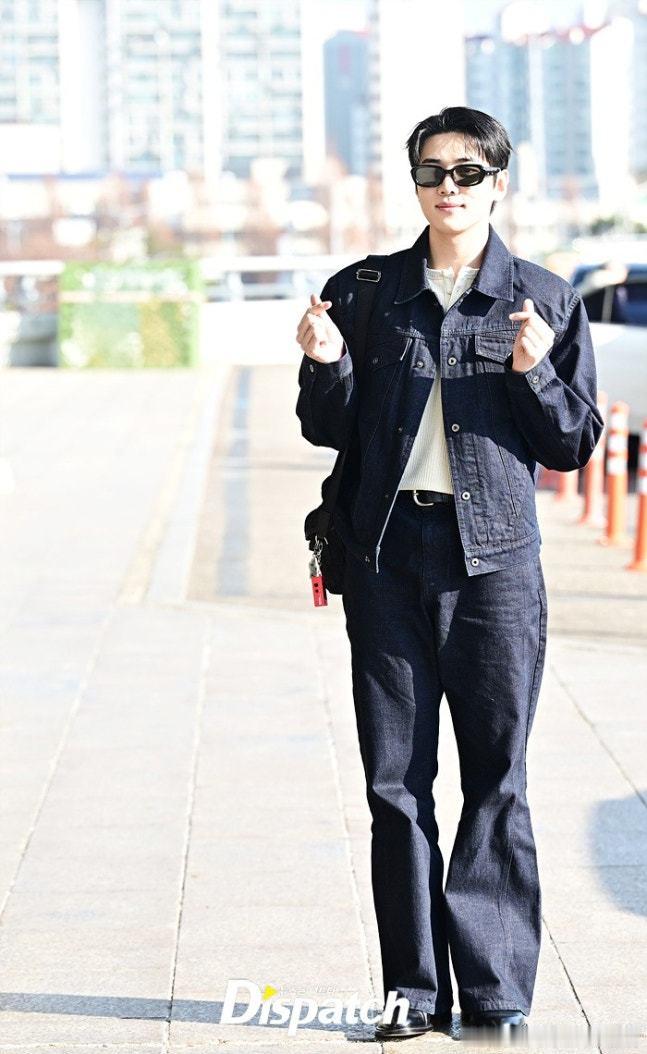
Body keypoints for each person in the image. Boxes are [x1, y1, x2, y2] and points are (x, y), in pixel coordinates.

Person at [294, 106, 603, 1042]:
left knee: (496, 778)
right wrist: (324, 365)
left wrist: (532, 370)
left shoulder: (540, 299)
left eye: (467, 173)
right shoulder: (364, 292)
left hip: (494, 567)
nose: (448, 188)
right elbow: (327, 428)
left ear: (497, 184)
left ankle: (496, 991)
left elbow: (572, 443)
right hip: (387, 559)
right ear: (415, 183)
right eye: (432, 172)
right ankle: (413, 992)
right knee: (395, 784)